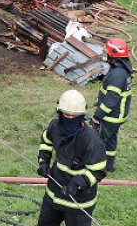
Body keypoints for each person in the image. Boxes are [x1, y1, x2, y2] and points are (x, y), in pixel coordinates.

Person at [37, 89, 107, 226]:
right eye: (66, 114)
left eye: (73, 115)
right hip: (54, 196)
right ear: (59, 113)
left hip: (79, 203)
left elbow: (98, 171)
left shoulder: (91, 140)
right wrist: (43, 162)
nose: (69, 118)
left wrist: (79, 183)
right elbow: (46, 142)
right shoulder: (54, 127)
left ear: (81, 116)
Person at [91, 38, 133, 172]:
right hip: (118, 116)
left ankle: (97, 168)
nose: (106, 56)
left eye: (108, 54)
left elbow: (111, 99)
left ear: (113, 56)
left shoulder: (117, 75)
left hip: (110, 117)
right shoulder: (122, 71)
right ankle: (108, 166)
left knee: (97, 141)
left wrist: (97, 115)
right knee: (110, 141)